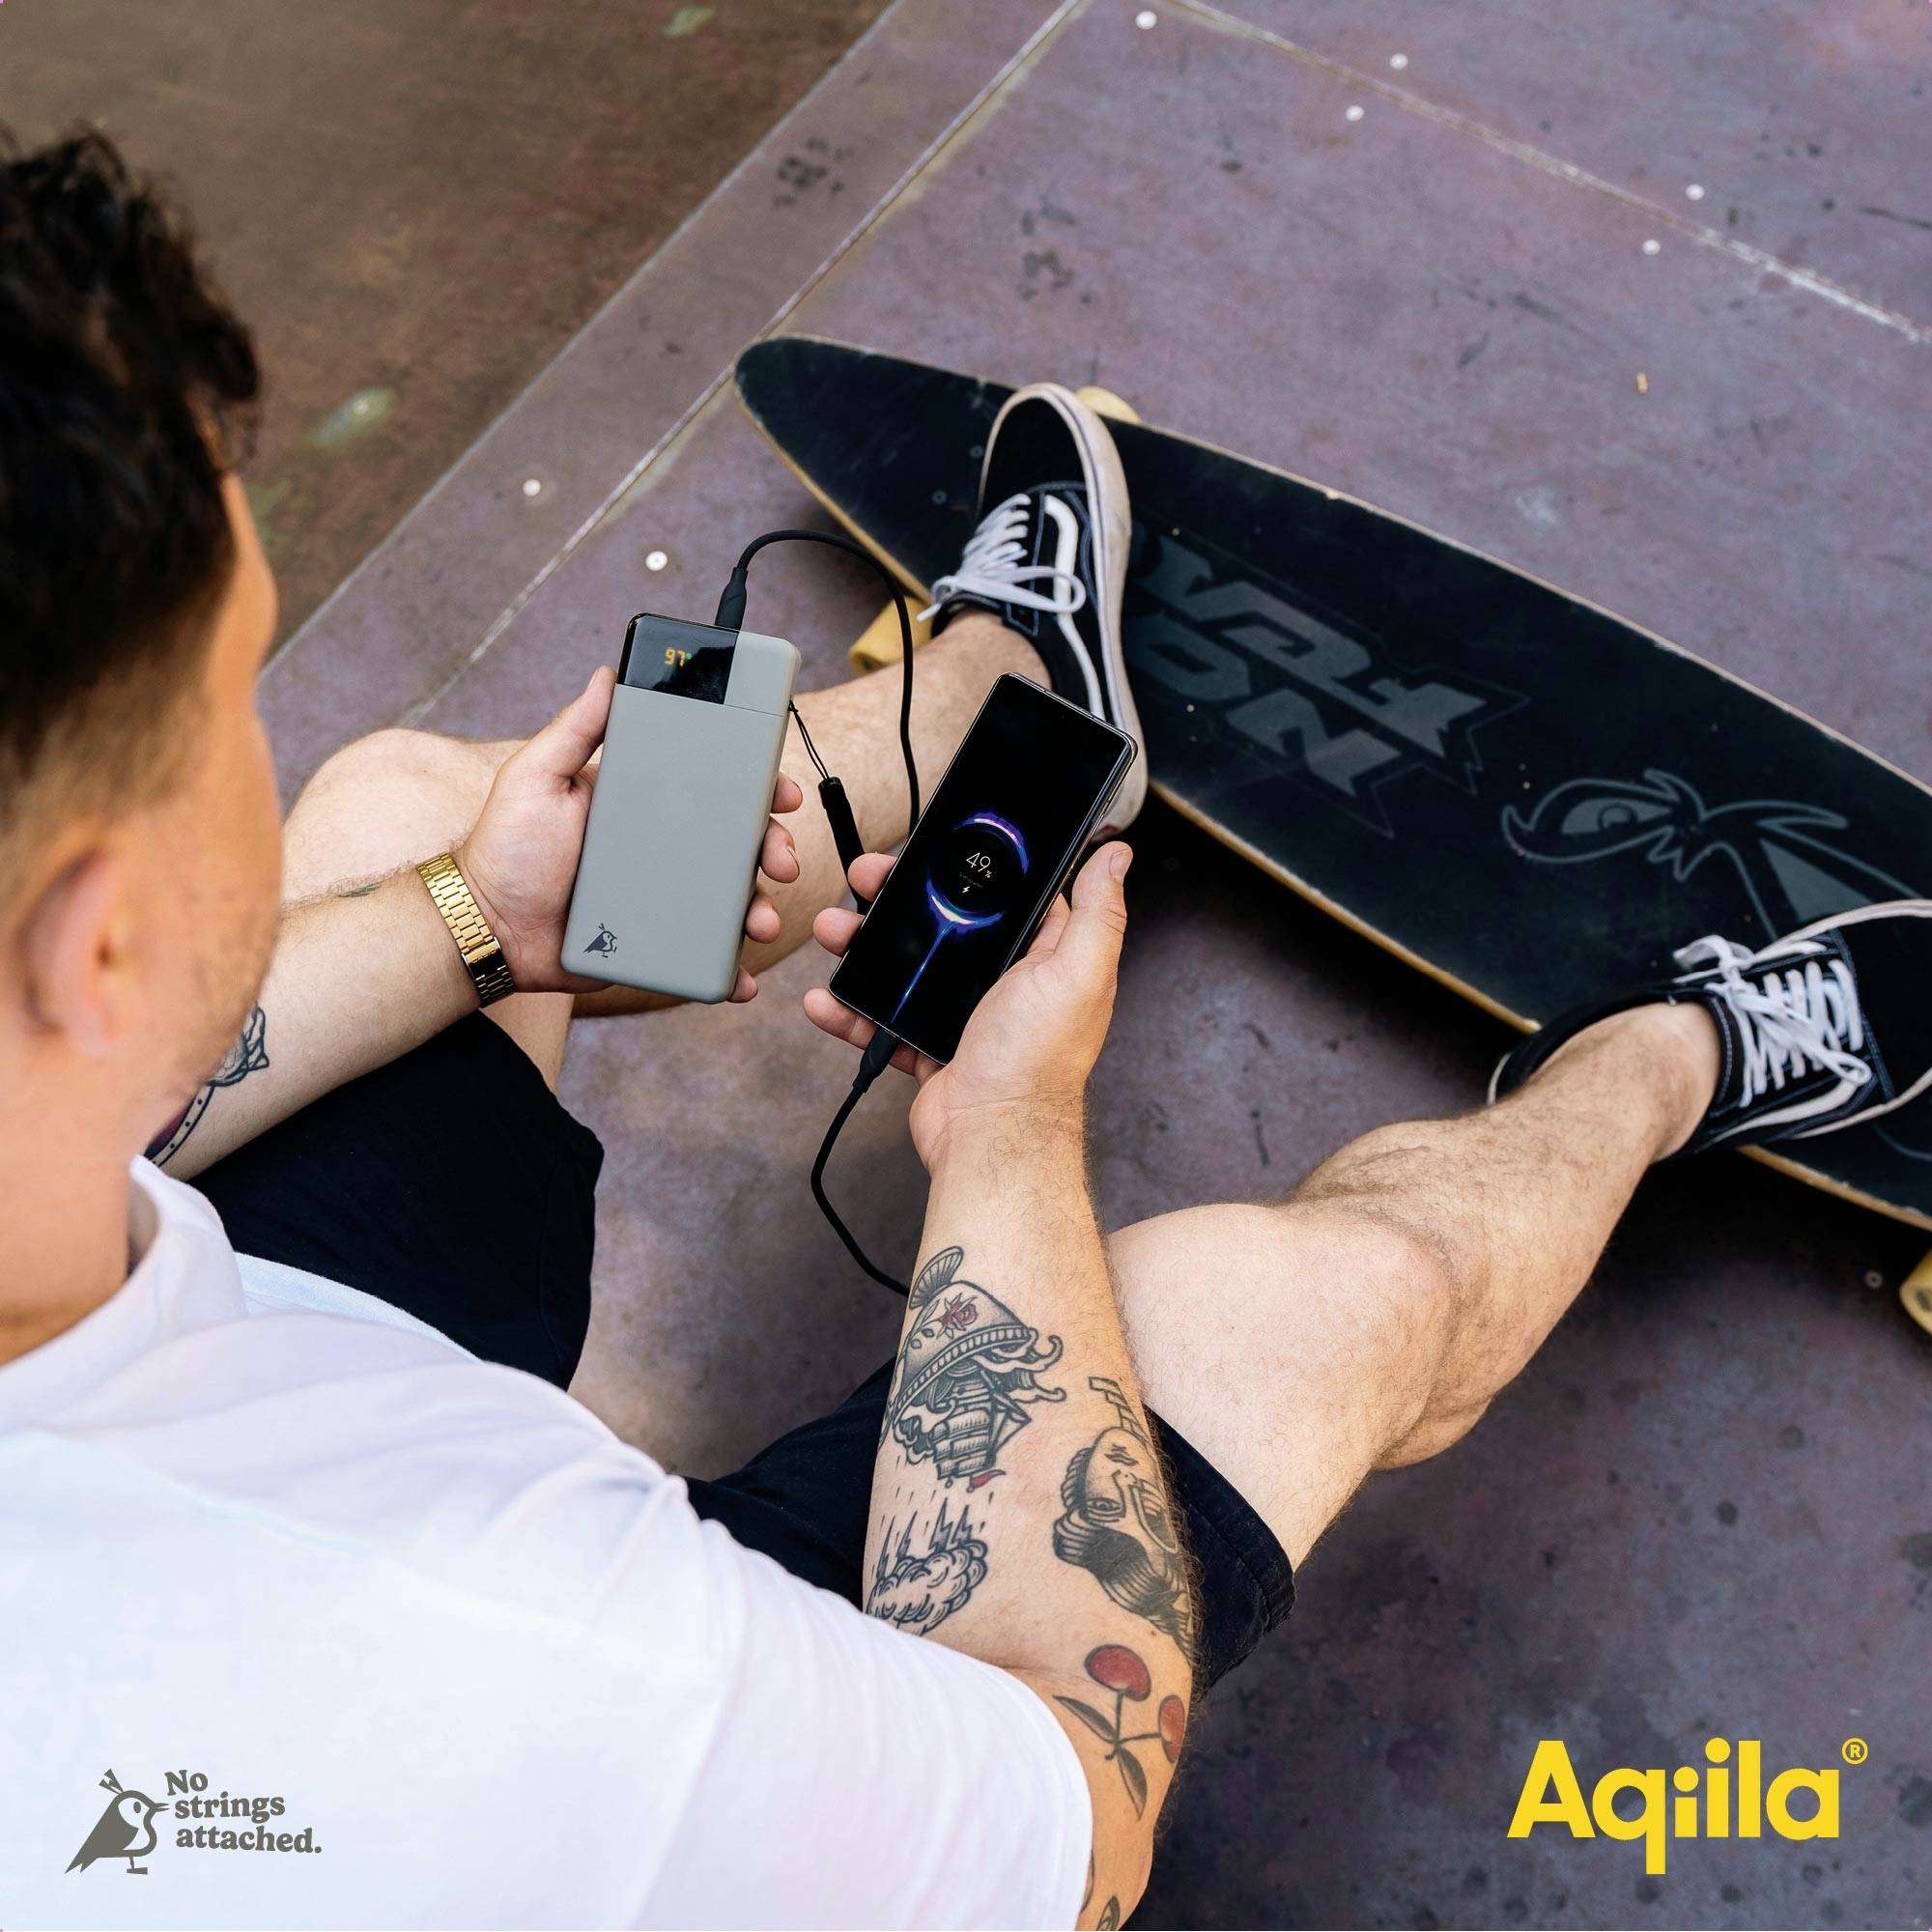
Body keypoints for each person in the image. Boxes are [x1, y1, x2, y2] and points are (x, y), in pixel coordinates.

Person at [3, 128, 1924, 1930]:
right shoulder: (551, 1704)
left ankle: (1008, 690)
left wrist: (478, 915)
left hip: (246, 1404)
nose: (243, 734)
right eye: (225, 700)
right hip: (518, 1700)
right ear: (101, 950)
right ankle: (1668, 1063)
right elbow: (1076, 1805)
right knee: (1296, 1318)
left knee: (404, 814)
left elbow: (158, 1057)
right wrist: (1005, 1141)